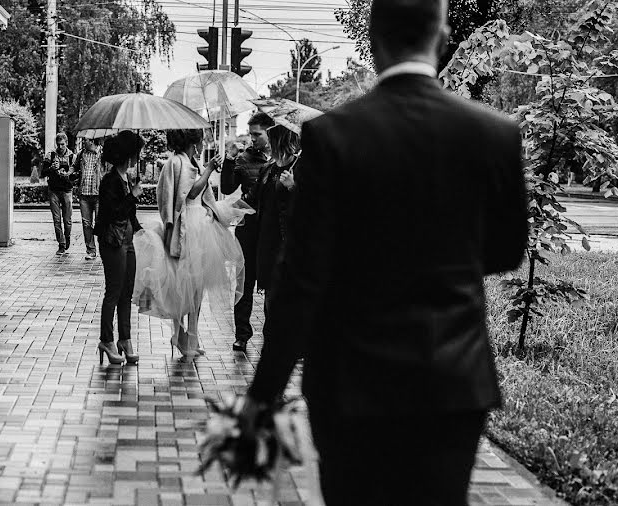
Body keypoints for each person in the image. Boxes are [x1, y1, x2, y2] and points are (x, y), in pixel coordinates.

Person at [240, 0, 529, 502]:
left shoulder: (331, 137)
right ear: (441, 40)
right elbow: (506, 252)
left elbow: (301, 280)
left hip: (352, 384)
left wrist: (263, 395)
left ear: (373, 45)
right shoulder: (494, 134)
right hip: (452, 383)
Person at [133, 129, 253, 359]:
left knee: (197, 288)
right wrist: (208, 170)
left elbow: (203, 195)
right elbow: (187, 194)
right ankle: (179, 335)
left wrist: (210, 208)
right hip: (185, 229)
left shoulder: (191, 161)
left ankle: (193, 336)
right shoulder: (176, 162)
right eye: (199, 140)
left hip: (200, 228)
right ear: (192, 141)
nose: (201, 143)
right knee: (181, 286)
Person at [221, 112, 274, 351]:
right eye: (251, 134)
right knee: (244, 283)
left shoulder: (279, 160)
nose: (253, 139)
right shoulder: (242, 159)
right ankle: (242, 334)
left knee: (271, 285)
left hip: (271, 231)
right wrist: (229, 161)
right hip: (247, 230)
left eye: (257, 134)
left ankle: (271, 334)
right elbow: (226, 187)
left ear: (269, 133)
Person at [94, 131, 145, 365]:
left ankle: (125, 339)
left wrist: (143, 231)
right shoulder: (110, 181)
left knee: (127, 292)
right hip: (112, 240)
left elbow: (129, 216)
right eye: (136, 153)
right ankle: (107, 339)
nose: (138, 157)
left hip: (127, 239)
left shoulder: (126, 179)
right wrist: (132, 196)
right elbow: (112, 213)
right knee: (113, 292)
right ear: (127, 155)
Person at [254, 124, 299, 312]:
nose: (267, 146)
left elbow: (314, 202)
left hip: (288, 238)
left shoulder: (300, 166)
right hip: (268, 238)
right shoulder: (267, 169)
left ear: (279, 142)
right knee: (270, 294)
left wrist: (292, 187)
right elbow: (255, 198)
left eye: (270, 141)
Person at [41, 132, 76, 255]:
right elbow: (42, 173)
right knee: (56, 219)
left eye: (62, 144)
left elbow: (76, 175)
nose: (60, 147)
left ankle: (67, 237)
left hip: (67, 190)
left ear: (66, 143)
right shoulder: (50, 155)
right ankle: (61, 244)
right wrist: (51, 168)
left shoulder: (72, 157)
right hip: (54, 191)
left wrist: (67, 174)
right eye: (58, 144)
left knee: (67, 220)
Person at [73, 138, 104, 260]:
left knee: (100, 223)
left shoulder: (102, 154)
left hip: (98, 194)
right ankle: (91, 250)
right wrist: (69, 173)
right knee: (86, 223)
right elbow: (74, 167)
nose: (83, 142)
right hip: (84, 193)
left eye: (85, 140)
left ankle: (103, 249)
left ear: (91, 141)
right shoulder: (81, 154)